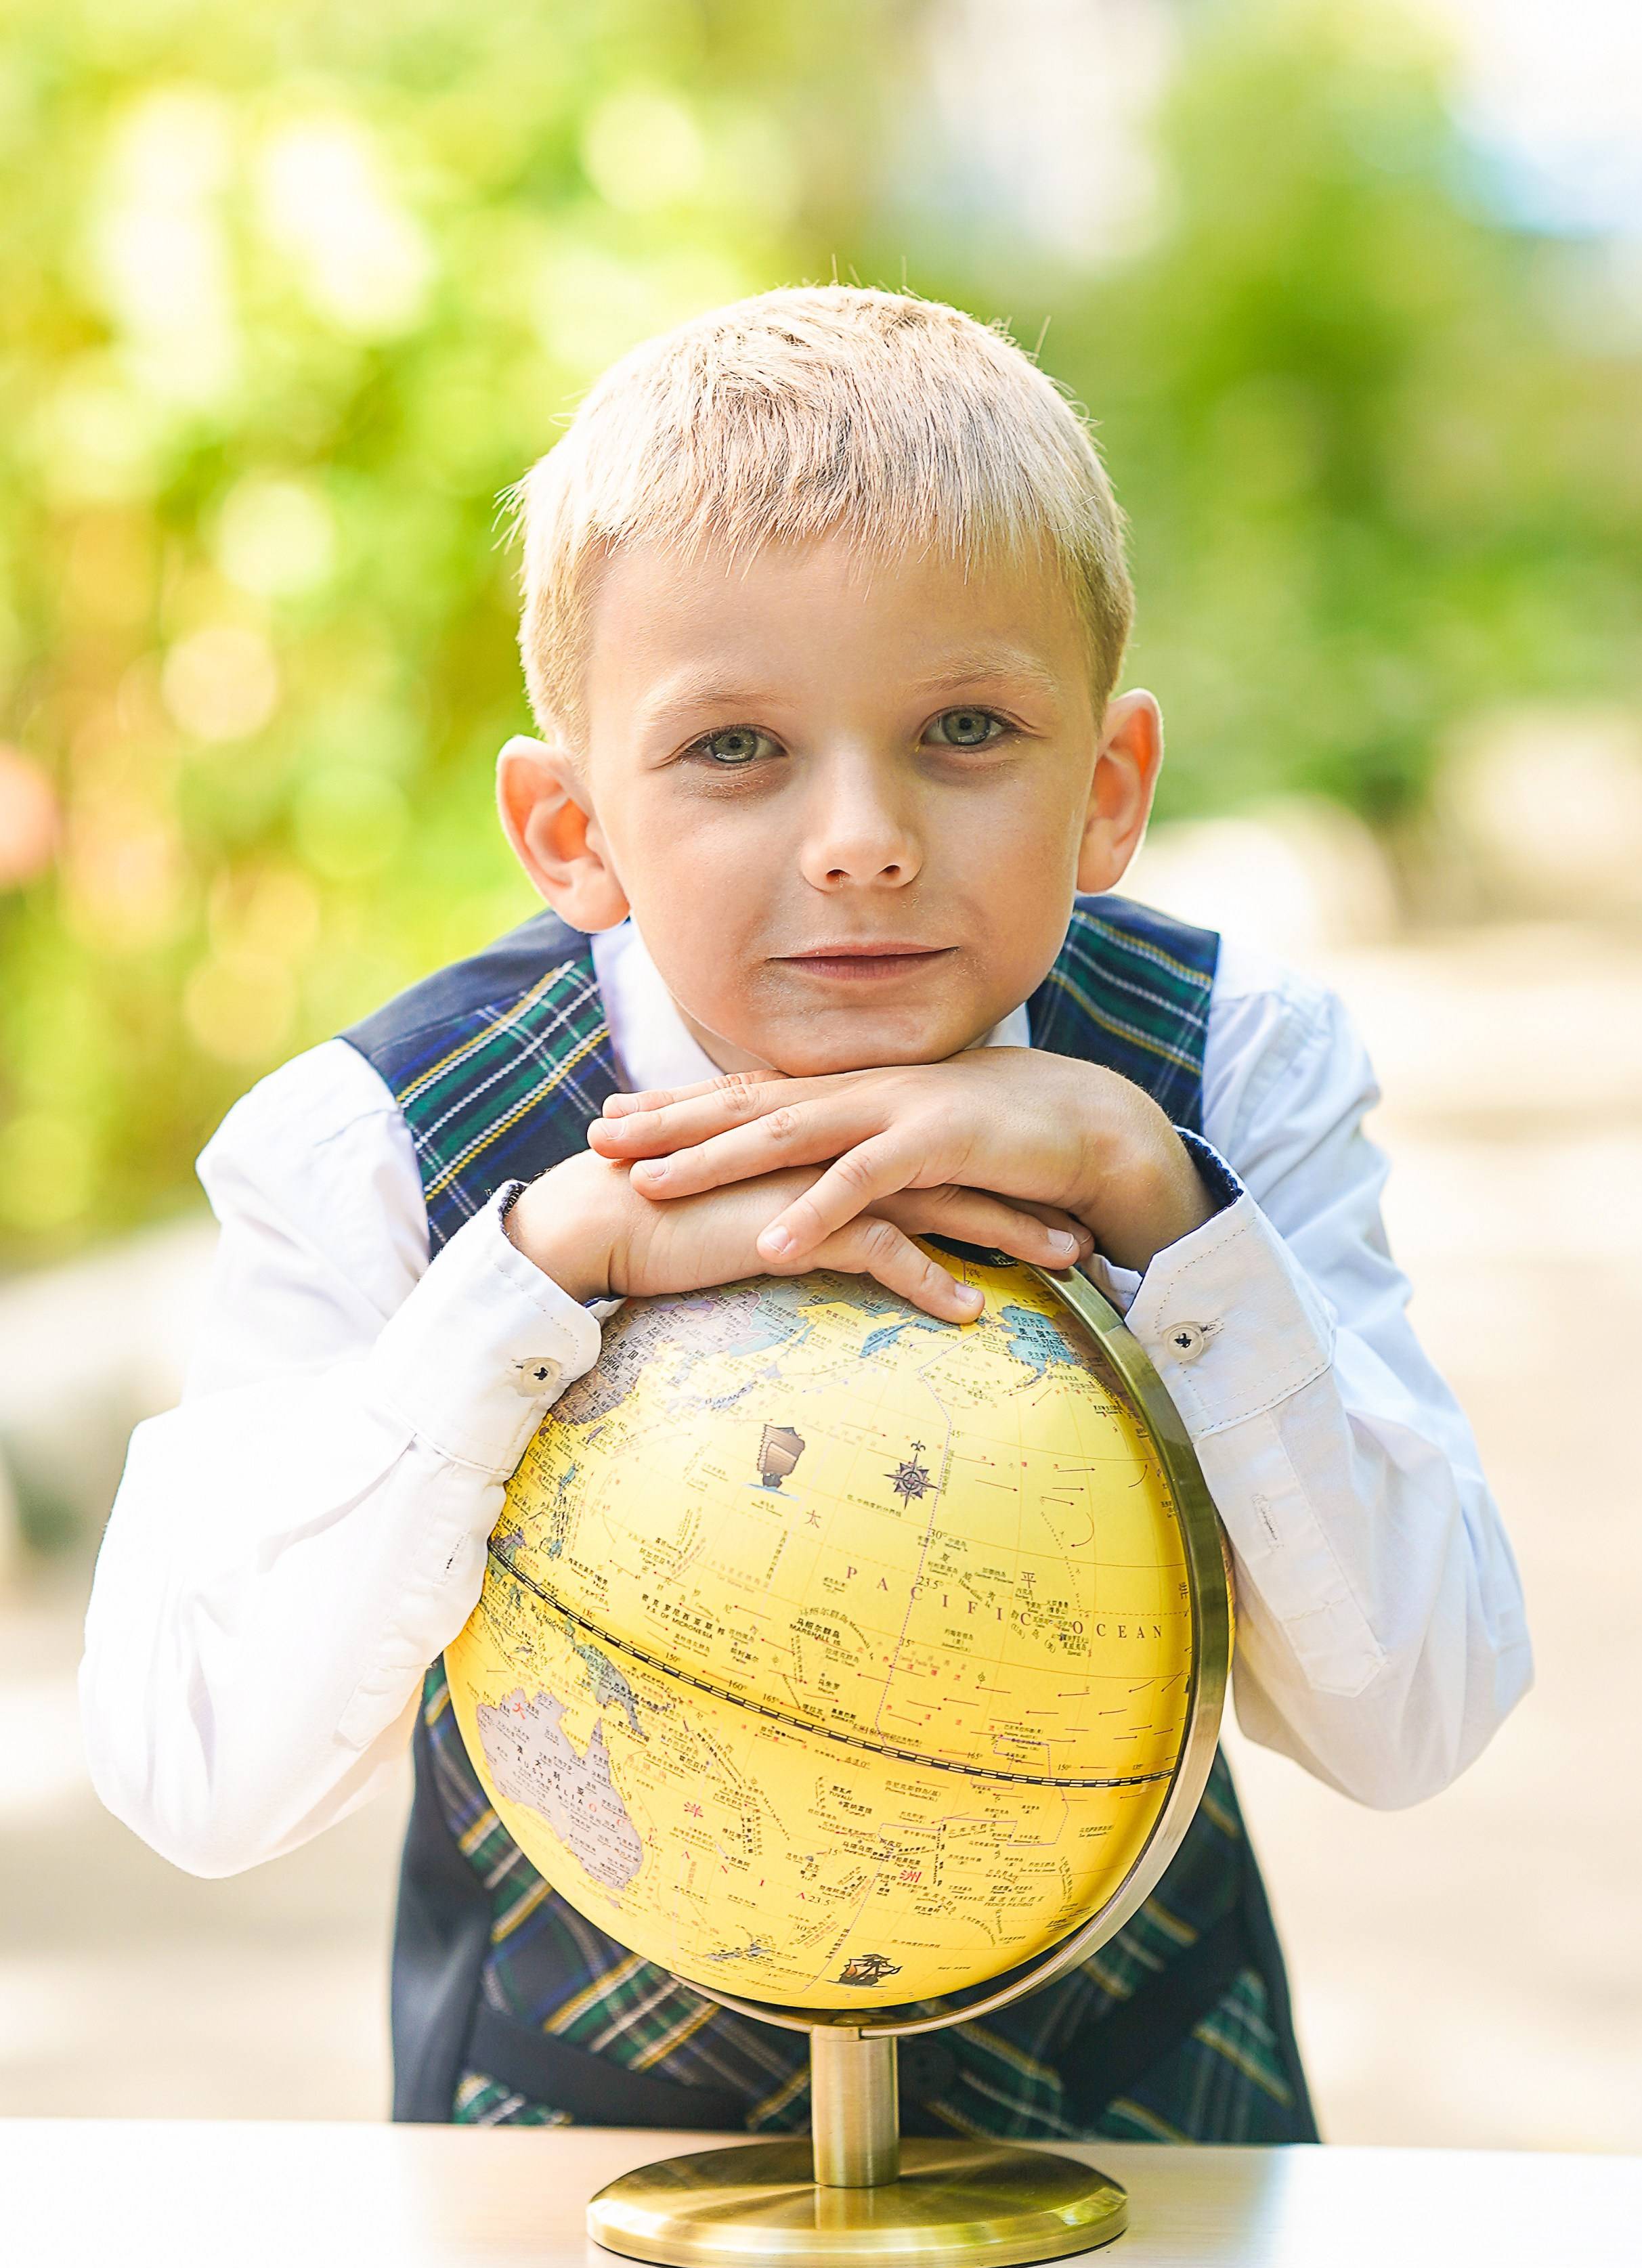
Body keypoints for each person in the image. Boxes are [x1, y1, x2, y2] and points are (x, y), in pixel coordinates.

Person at [82, 287, 1529, 2143]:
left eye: (962, 727)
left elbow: (1410, 1720)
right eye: (736, 749)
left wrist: (1169, 1219)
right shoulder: (377, 1138)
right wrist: (521, 1282)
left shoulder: (1224, 1071)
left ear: (1108, 791)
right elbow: (196, 1775)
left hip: (1141, 2151)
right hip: (580, 2193)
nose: (861, 837)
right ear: (569, 829)